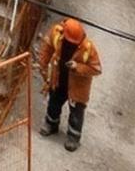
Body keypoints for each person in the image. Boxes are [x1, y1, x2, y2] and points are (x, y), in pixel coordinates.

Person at [35, 14, 102, 150]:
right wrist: (42, 64)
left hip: (77, 87)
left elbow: (96, 69)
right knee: (53, 103)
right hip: (59, 79)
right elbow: (47, 48)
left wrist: (78, 67)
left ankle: (73, 137)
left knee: (76, 112)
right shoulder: (57, 33)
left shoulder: (88, 48)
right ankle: (51, 124)